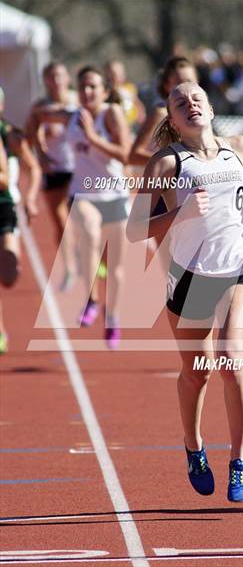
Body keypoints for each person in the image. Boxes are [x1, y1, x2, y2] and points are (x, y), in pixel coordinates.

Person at [127, 82, 243, 502]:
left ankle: (240, 459)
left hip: (238, 269)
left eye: (196, 98)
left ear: (210, 107)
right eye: (180, 102)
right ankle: (194, 448)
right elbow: (135, 228)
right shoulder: (166, 162)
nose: (190, 104)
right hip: (191, 274)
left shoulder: (239, 147)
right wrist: (179, 212)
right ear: (173, 120)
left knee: (233, 356)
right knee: (199, 371)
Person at [31, 66, 131, 349]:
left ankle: (112, 318)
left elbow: (125, 154)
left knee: (115, 268)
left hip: (114, 195)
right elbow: (37, 115)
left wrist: (93, 137)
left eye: (93, 87)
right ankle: (92, 300)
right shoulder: (71, 116)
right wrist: (38, 150)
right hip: (83, 193)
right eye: (83, 86)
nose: (87, 92)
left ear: (104, 91)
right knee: (88, 232)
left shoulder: (112, 115)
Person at [26, 61, 78, 291]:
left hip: (80, 169)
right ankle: (68, 269)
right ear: (45, 81)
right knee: (62, 223)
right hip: (55, 170)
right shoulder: (40, 108)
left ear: (67, 78)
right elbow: (28, 136)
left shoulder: (78, 100)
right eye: (50, 77)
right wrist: (42, 154)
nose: (55, 81)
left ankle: (89, 256)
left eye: (59, 76)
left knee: (86, 219)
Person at [0, 92, 41, 353]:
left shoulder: (10, 135)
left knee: (9, 276)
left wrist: (30, 198)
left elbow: (32, 168)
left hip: (4, 204)